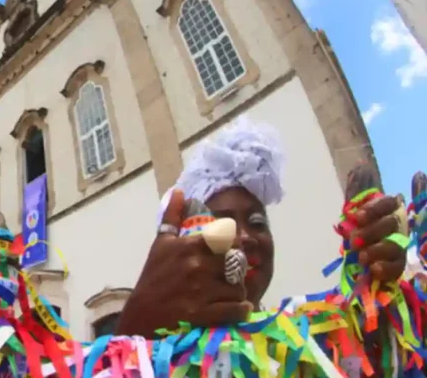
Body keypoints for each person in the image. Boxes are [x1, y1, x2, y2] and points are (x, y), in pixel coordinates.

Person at [118, 118, 407, 337]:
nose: (244, 237)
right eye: (222, 223)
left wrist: (376, 289)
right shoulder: (156, 362)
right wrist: (134, 333)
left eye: (257, 222)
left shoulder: (303, 341)